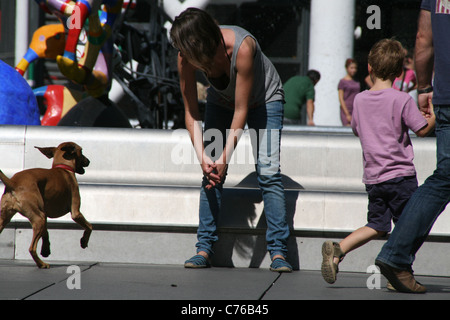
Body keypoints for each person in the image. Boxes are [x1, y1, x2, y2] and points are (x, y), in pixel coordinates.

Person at [170, 8, 292, 272]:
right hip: (221, 101)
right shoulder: (186, 56)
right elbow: (191, 113)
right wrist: (205, 157)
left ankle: (279, 252)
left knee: (268, 172)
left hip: (265, 100)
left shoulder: (243, 48)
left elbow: (242, 109)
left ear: (205, 43)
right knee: (212, 173)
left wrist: (226, 157)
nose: (190, 61)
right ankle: (204, 249)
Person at [321, 39, 435, 285]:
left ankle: (339, 248)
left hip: (373, 178)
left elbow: (356, 130)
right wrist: (434, 115)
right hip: (400, 177)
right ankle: (400, 270)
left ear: (369, 68)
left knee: (378, 225)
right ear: (398, 73)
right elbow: (423, 130)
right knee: (412, 226)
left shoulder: (360, 100)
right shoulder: (402, 99)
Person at [375, 0, 450, 294]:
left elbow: (423, 40)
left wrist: (423, 88)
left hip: (445, 96)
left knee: (445, 176)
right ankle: (396, 256)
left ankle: (397, 255)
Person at [338, 58, 360, 126]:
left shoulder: (356, 81)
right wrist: (347, 114)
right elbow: (341, 99)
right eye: (351, 68)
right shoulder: (342, 82)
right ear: (347, 68)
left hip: (355, 108)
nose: (353, 70)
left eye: (355, 68)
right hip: (346, 108)